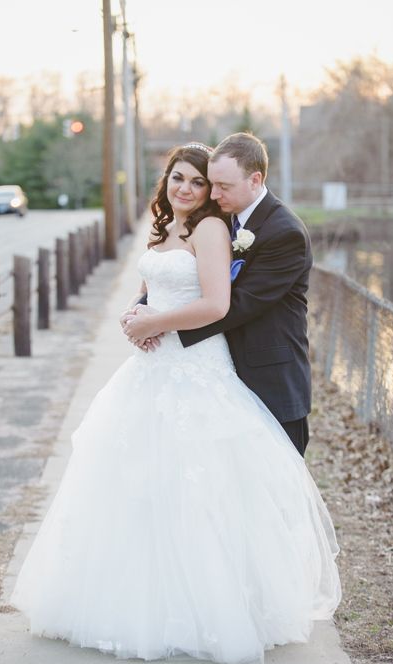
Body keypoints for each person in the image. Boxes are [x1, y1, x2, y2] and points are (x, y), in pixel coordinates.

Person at [10, 143, 341, 664]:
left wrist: (156, 326)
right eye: (179, 178)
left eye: (203, 183)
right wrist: (135, 316)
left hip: (218, 366)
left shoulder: (233, 230)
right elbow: (150, 291)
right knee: (139, 484)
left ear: (242, 183)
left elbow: (224, 304)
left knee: (219, 489)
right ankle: (132, 601)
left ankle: (235, 604)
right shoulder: (166, 228)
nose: (188, 189)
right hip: (153, 367)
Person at [126, 132, 315, 456]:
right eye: (211, 184)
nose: (213, 194)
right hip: (219, 367)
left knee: (274, 487)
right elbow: (181, 279)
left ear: (255, 180)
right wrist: (138, 311)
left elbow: (236, 304)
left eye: (222, 186)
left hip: (269, 378)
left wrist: (157, 325)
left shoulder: (285, 233)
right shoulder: (221, 219)